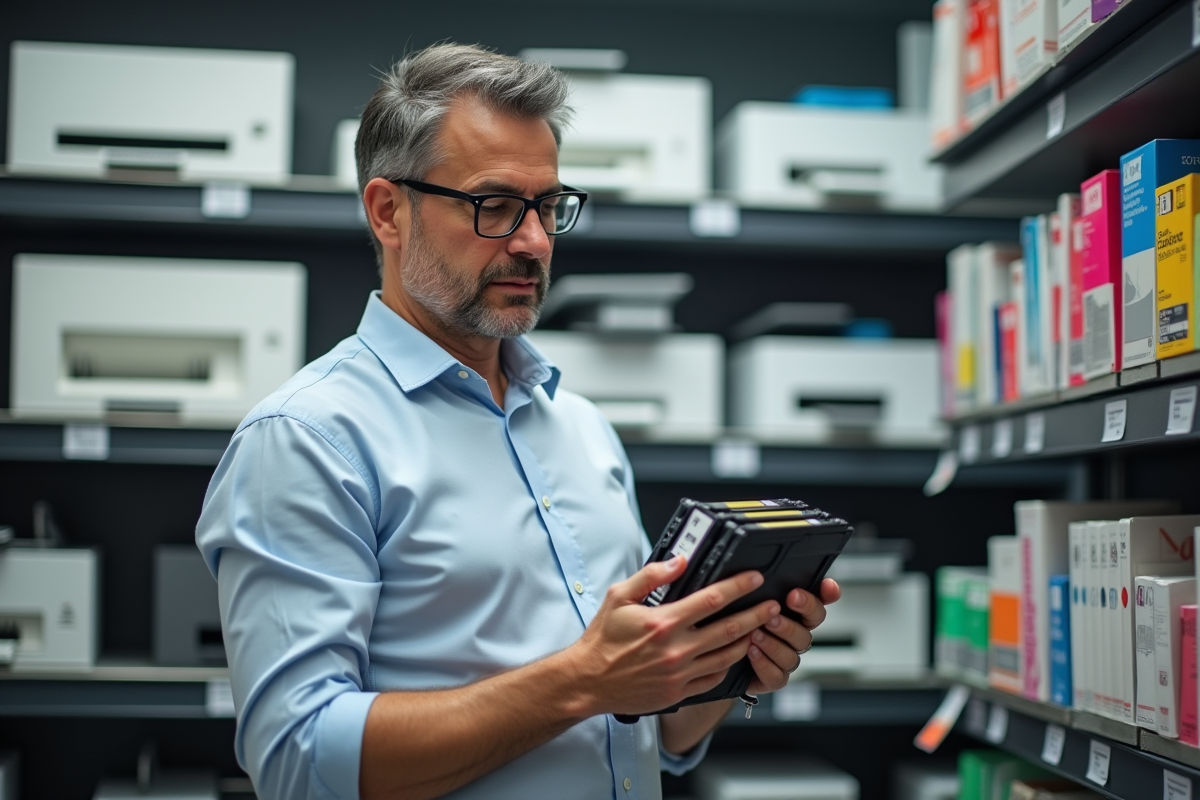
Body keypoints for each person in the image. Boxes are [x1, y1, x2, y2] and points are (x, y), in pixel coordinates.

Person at [195, 43, 840, 800]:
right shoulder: (306, 440)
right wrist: (583, 680)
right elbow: (299, 760)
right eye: (493, 205)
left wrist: (723, 665)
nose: (534, 241)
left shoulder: (583, 427)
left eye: (548, 206)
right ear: (388, 212)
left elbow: (655, 733)